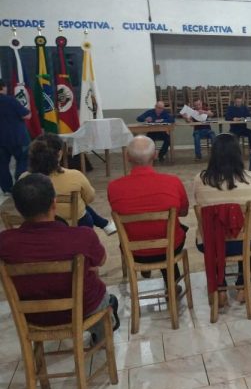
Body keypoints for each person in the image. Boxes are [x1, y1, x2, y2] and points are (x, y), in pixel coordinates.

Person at [0, 174, 119, 342]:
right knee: (105, 296)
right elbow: (101, 260)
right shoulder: (82, 236)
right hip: (84, 309)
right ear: (54, 203)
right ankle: (102, 338)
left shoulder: (5, 242)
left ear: (18, 209)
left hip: (33, 315)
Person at [108, 135, 188, 290]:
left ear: (127, 156)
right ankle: (172, 284)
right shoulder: (172, 182)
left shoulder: (114, 187)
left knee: (151, 231)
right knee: (169, 233)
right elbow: (183, 212)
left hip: (134, 251)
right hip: (169, 248)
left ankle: (151, 272)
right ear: (155, 155)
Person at [193, 133, 251, 304]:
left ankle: (221, 288)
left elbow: (198, 201)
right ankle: (242, 285)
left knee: (217, 233)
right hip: (246, 240)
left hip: (210, 242)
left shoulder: (200, 179)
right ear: (238, 153)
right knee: (249, 232)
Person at [25, 134, 115, 234]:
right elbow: (90, 198)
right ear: (60, 154)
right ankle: (104, 224)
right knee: (81, 203)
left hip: (36, 225)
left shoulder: (24, 178)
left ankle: (105, 224)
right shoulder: (74, 176)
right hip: (75, 223)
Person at [0, 79, 31, 198]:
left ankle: (7, 189)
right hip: (18, 138)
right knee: (23, 160)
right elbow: (27, 115)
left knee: (2, 165)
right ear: (3, 87)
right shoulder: (11, 100)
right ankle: (20, 186)